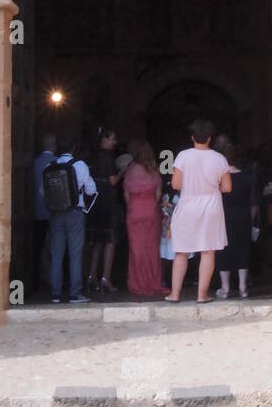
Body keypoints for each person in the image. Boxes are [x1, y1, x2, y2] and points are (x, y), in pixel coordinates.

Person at [165, 118, 231, 304]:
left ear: (192, 137)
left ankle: (175, 294)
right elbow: (227, 187)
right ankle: (202, 295)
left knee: (181, 251)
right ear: (209, 138)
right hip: (211, 205)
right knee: (208, 251)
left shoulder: (183, 156)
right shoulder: (219, 159)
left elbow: (176, 184)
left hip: (187, 204)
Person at [46, 144, 96, 305]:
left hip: (55, 213)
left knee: (56, 255)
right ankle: (75, 294)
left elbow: (43, 192)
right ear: (74, 148)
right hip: (75, 212)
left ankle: (55, 294)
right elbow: (91, 189)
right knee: (75, 254)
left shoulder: (49, 166)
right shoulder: (79, 165)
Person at [122, 140, 170, 298]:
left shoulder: (130, 169)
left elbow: (126, 194)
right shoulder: (154, 170)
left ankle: (137, 283)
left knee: (136, 249)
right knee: (151, 249)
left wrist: (134, 206)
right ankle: (153, 282)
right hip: (150, 210)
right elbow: (158, 195)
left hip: (135, 210)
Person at [213, 135, 254, 299]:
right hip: (243, 215)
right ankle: (243, 287)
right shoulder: (245, 176)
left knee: (224, 250)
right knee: (243, 249)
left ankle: (225, 288)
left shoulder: (219, 178)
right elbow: (253, 202)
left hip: (224, 216)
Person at [87, 125, 120, 294]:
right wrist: (123, 170)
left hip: (94, 200)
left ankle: (91, 276)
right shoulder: (108, 157)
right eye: (112, 138)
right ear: (104, 139)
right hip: (106, 199)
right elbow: (113, 181)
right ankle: (105, 278)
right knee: (110, 239)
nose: (115, 142)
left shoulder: (91, 155)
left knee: (97, 240)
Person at [30, 132, 56, 293]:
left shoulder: (33, 163)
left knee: (38, 246)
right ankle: (51, 279)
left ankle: (36, 277)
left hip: (36, 210)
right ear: (54, 146)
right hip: (53, 212)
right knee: (54, 247)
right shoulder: (57, 162)